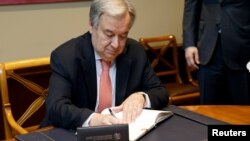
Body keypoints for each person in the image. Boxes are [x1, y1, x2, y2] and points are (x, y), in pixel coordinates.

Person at [40, 0, 168, 130]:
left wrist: (141, 97)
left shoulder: (135, 52)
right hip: (72, 132)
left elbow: (160, 92)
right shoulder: (66, 56)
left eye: (123, 36)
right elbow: (56, 107)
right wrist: (94, 119)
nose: (116, 44)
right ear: (91, 25)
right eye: (109, 34)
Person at [183, 0, 250, 104]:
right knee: (208, 111)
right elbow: (190, 8)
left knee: (243, 110)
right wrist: (189, 43)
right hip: (207, 50)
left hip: (242, 49)